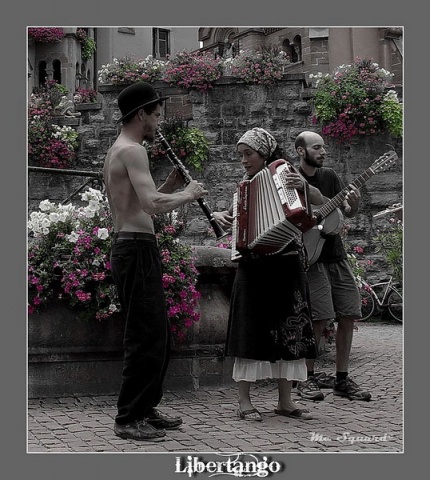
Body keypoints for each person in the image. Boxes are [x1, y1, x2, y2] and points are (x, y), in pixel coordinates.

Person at [103, 82, 208, 441]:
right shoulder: (132, 150)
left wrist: (170, 185)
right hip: (134, 249)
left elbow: (141, 201)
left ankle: (145, 408)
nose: (159, 121)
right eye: (156, 113)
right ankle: (128, 418)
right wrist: (189, 193)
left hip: (136, 247)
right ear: (140, 114)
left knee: (158, 335)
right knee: (144, 336)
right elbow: (150, 207)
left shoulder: (123, 149)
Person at [214, 127, 322, 421]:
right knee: (250, 330)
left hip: (286, 263)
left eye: (248, 154)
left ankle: (285, 401)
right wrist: (224, 217)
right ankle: (244, 402)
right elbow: (239, 225)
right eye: (241, 156)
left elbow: (306, 212)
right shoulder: (244, 189)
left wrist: (301, 187)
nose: (244, 161)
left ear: (264, 153)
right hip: (254, 265)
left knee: (291, 330)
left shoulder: (285, 174)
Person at [293, 130, 371, 401]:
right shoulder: (291, 178)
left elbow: (345, 211)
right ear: (301, 151)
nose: (323, 152)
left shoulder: (330, 177)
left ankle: (342, 379)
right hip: (310, 257)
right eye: (317, 148)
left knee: (349, 311)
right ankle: (306, 378)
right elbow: (293, 217)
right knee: (320, 316)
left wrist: (354, 205)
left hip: (335, 254)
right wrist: (315, 201)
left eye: (324, 147)